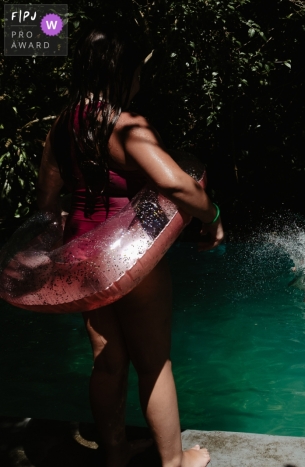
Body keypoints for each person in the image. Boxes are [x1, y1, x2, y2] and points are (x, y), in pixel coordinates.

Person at [36, 28, 222, 467]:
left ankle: (115, 454)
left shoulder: (63, 125)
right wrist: (212, 218)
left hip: (81, 252)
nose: (140, 79)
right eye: (137, 70)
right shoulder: (128, 127)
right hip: (130, 254)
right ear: (123, 72)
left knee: (107, 358)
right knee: (154, 361)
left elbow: (45, 202)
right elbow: (177, 183)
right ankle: (174, 462)